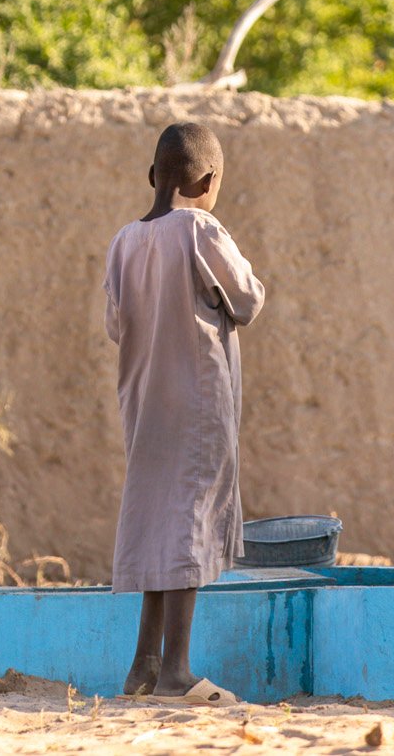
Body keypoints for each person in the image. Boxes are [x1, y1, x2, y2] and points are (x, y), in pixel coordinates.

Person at [104, 122, 266, 703]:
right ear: (208, 180)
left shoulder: (124, 241)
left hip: (144, 401)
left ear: (154, 177)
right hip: (197, 401)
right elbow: (246, 299)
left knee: (158, 520)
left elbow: (114, 324)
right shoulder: (202, 229)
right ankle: (177, 670)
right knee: (191, 522)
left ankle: (142, 666)